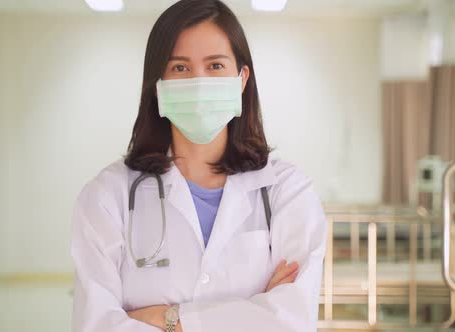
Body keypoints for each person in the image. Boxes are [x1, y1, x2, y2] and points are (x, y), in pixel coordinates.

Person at [71, 0, 326, 331]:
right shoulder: (108, 197)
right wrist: (253, 312)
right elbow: (97, 325)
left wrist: (169, 319)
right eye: (180, 68)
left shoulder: (286, 190)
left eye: (216, 66)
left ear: (241, 78)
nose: (199, 81)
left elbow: (292, 321)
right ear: (157, 84)